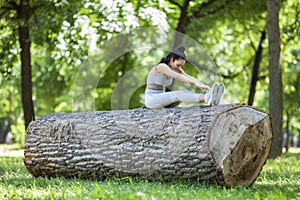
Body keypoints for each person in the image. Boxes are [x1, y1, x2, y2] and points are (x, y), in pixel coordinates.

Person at [144, 45, 224, 109]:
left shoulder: (175, 68)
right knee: (178, 94)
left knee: (185, 92)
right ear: (172, 60)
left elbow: (188, 77)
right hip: (152, 100)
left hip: (162, 100)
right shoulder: (161, 67)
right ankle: (207, 98)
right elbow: (177, 76)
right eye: (178, 65)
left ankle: (210, 97)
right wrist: (195, 83)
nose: (178, 68)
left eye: (181, 66)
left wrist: (202, 85)